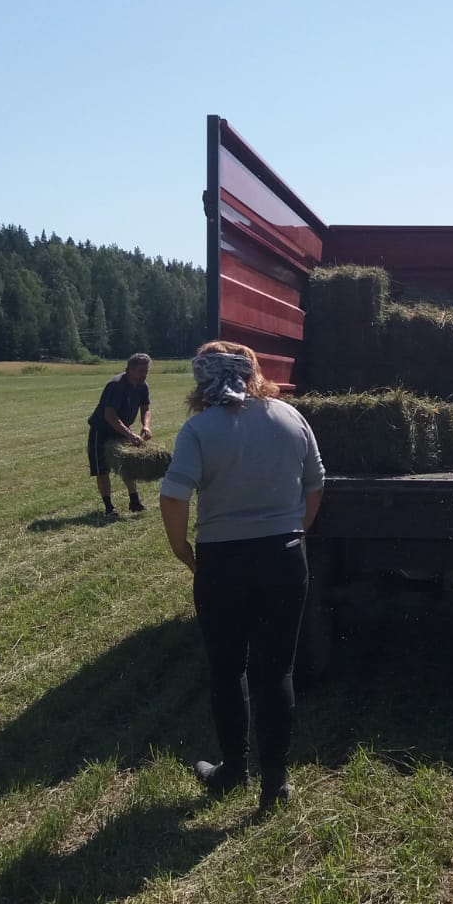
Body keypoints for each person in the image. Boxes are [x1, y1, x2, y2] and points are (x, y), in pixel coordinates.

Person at [158, 340, 325, 816]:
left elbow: (173, 496)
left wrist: (182, 549)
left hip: (223, 563)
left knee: (228, 669)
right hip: (285, 557)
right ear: (255, 373)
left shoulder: (199, 429)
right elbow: (316, 484)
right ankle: (276, 783)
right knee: (276, 672)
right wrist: (295, 533)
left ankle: (233, 770)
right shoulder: (291, 417)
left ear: (203, 380)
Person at [87, 352, 153, 521]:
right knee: (102, 469)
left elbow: (146, 408)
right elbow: (110, 416)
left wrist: (146, 426)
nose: (144, 375)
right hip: (101, 430)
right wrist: (130, 435)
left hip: (122, 429)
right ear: (129, 369)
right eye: (140, 371)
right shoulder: (116, 385)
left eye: (146, 371)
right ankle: (109, 507)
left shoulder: (142, 385)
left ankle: (134, 502)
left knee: (128, 464)